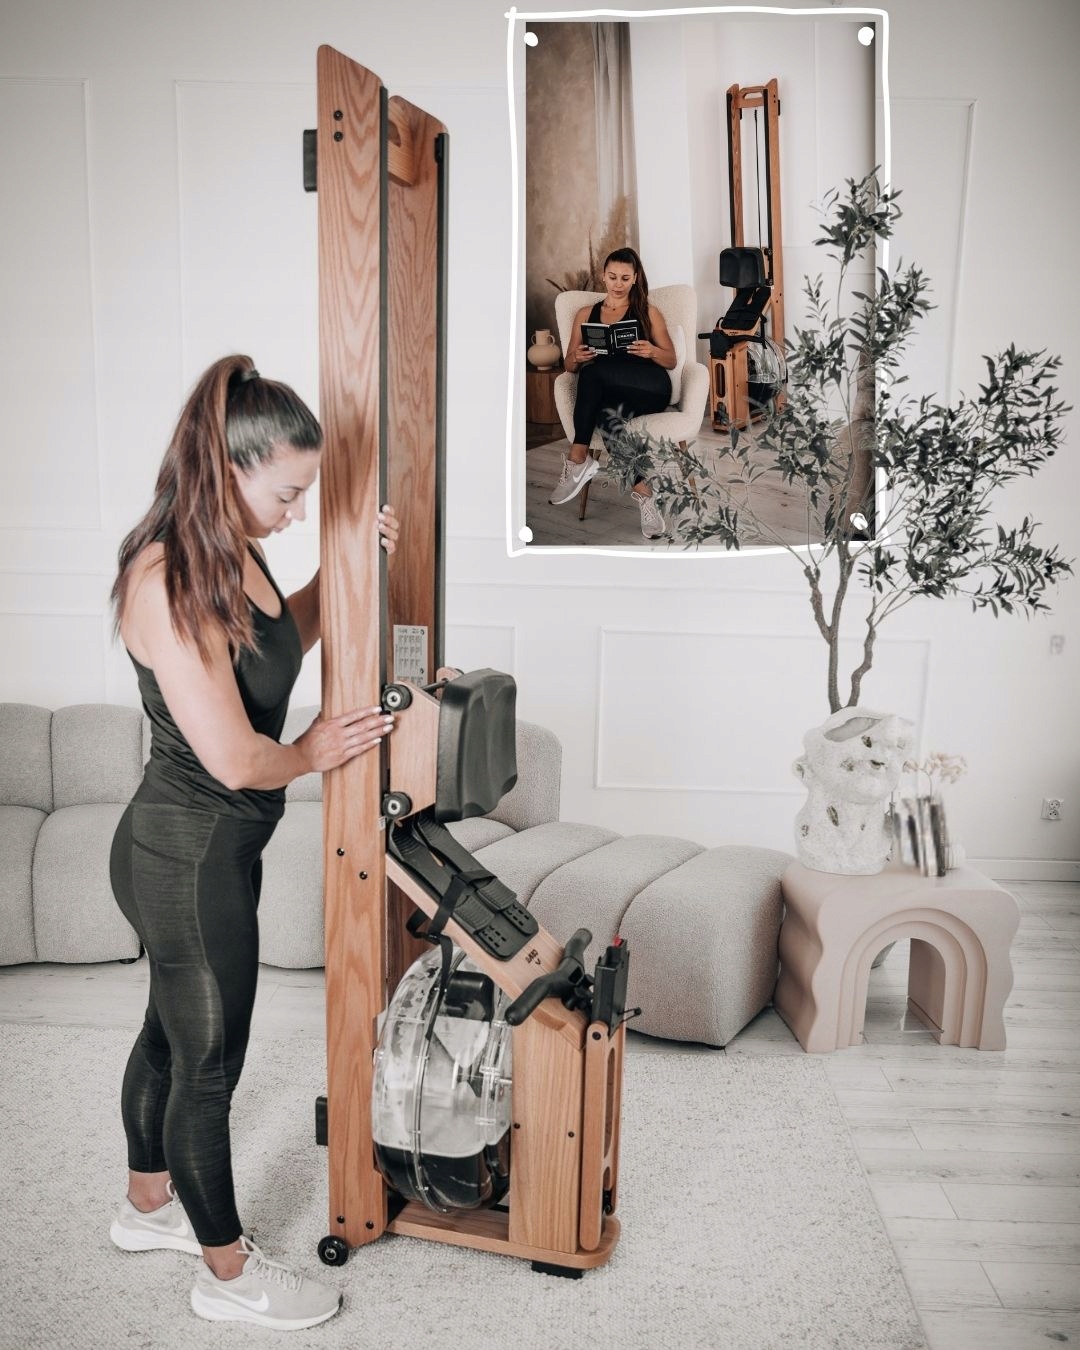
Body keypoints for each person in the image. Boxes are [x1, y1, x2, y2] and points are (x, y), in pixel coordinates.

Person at [107, 354, 399, 1330]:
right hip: (184, 855)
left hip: (211, 850)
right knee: (210, 1065)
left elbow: (283, 640)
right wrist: (314, 750)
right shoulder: (165, 577)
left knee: (169, 1035)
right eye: (287, 493)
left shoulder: (236, 547)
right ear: (229, 469)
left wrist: (345, 567)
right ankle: (227, 1278)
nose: (297, 510)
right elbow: (236, 758)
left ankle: (147, 1207)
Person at [548, 247, 678, 539]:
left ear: (635, 278)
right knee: (607, 417)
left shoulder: (647, 312)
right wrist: (577, 357)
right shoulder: (586, 314)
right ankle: (646, 496)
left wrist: (652, 350)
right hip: (614, 394)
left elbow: (670, 360)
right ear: (603, 276)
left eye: (625, 278)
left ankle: (578, 457)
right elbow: (568, 365)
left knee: (593, 373)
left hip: (650, 387)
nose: (618, 284)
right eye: (613, 277)